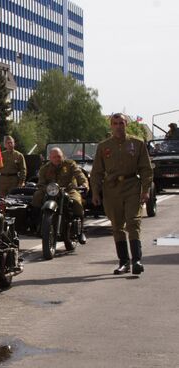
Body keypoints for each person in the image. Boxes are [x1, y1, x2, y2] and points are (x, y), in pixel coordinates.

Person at [90, 113, 153, 275]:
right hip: (111, 189)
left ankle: (136, 260)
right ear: (111, 126)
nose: (118, 126)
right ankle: (124, 262)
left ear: (126, 124)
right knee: (117, 226)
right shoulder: (104, 146)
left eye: (121, 123)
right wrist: (95, 192)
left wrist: (145, 190)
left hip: (132, 185)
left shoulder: (137, 144)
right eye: (115, 123)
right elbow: (97, 171)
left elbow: (146, 168)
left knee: (133, 222)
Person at [31, 147, 88, 243]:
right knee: (36, 197)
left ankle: (81, 230)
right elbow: (40, 183)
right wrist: (47, 188)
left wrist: (84, 184)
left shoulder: (70, 164)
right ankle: (36, 224)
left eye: (59, 156)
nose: (57, 159)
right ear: (50, 157)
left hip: (69, 189)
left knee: (77, 202)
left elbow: (79, 174)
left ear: (63, 156)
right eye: (54, 157)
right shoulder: (45, 168)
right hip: (51, 191)